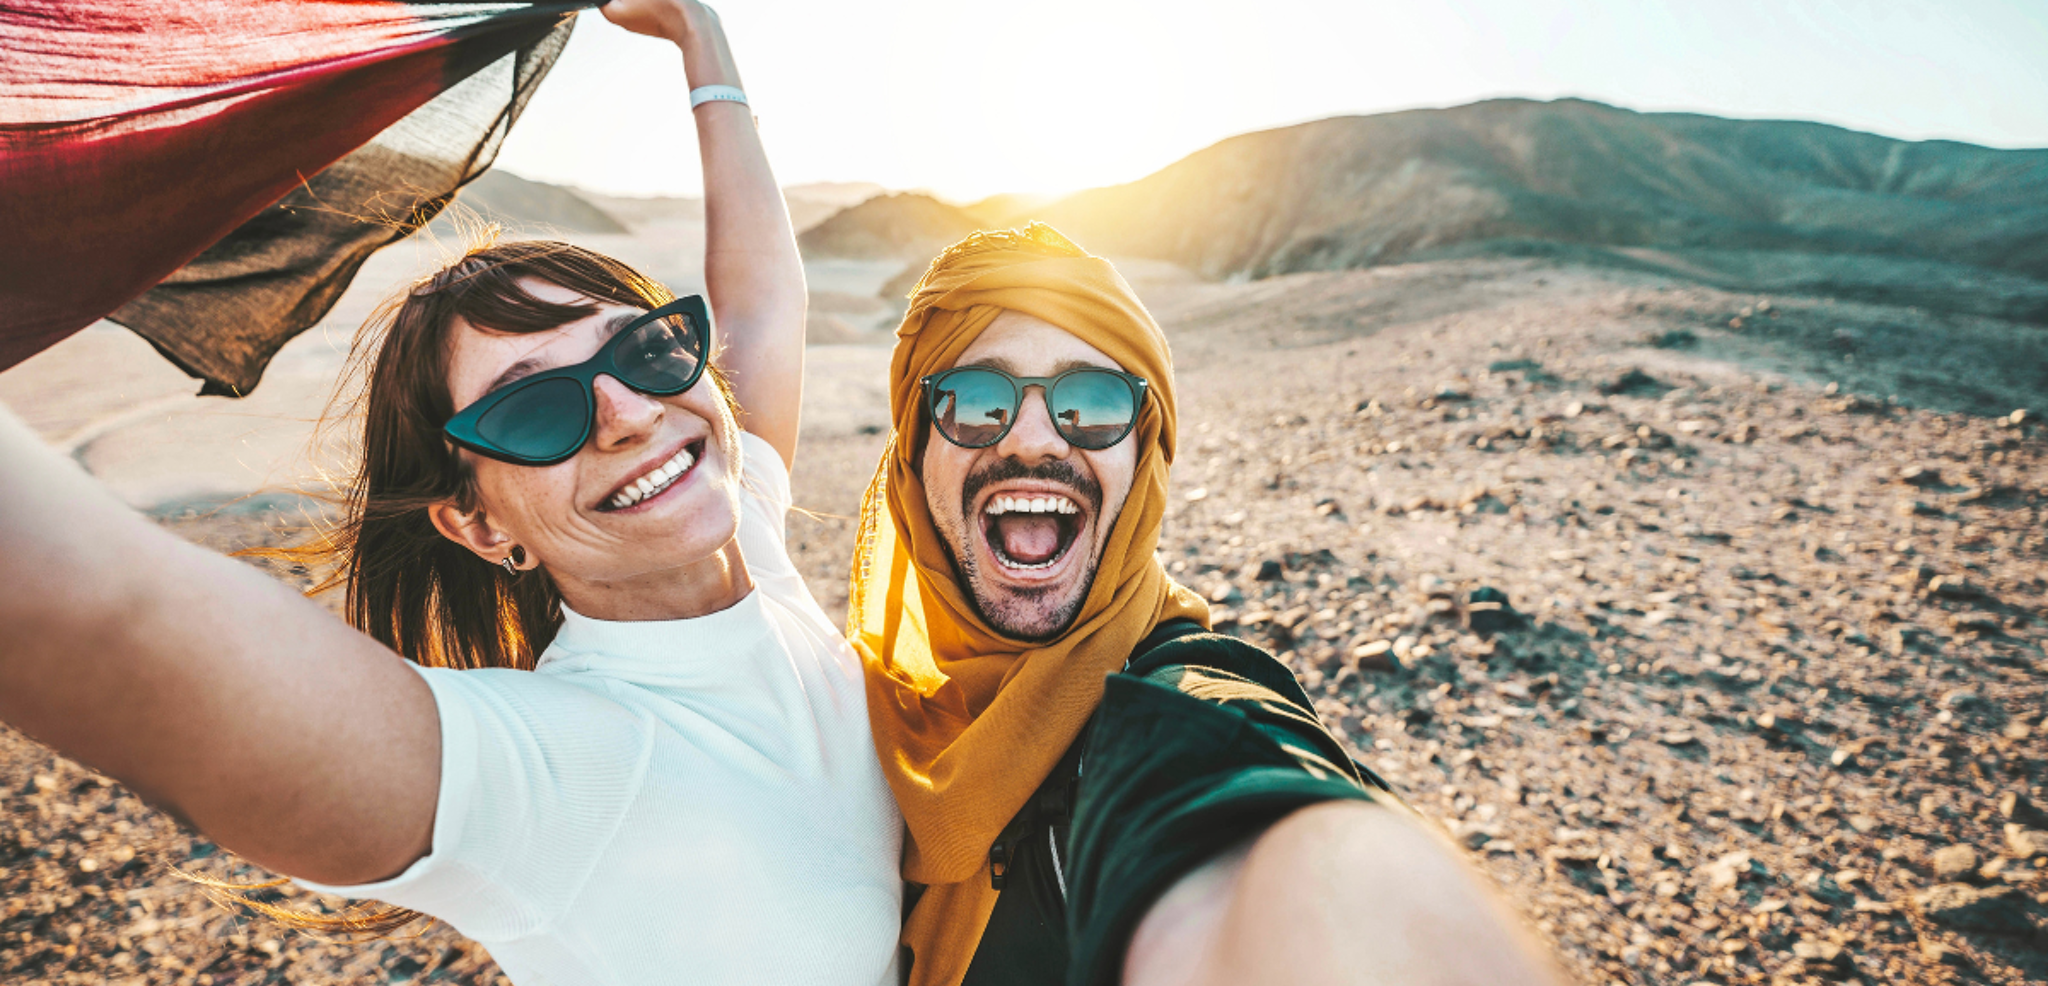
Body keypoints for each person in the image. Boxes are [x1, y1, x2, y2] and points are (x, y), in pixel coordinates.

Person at [0, 3, 904, 984]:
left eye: (645, 349)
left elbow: (762, 304)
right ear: (477, 521)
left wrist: (698, 33)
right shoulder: (545, 774)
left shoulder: (745, 530)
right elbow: (108, 612)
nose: (629, 413)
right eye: (534, 409)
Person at [848, 223, 1567, 986]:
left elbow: (1276, 850)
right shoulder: (864, 718)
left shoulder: (1178, 708)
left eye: (1091, 402)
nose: (1033, 440)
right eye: (975, 400)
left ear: (1143, 454)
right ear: (914, 450)